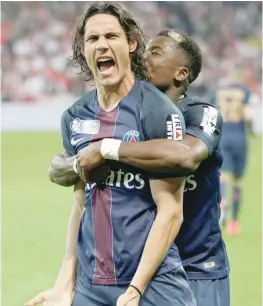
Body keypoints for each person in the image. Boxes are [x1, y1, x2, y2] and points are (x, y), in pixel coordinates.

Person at [25, 3, 196, 306]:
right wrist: (64, 283)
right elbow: (81, 205)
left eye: (111, 36)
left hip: (154, 283)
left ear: (131, 44)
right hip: (92, 285)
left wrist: (136, 289)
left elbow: (170, 211)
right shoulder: (75, 117)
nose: (102, 44)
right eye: (92, 39)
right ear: (83, 48)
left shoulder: (157, 111)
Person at [47, 29, 231, 306]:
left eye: (155, 53)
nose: (142, 57)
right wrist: (79, 160)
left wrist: (107, 149)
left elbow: (187, 156)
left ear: (181, 73)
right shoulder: (128, 116)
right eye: (143, 51)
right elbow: (64, 167)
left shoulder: (200, 113)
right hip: (139, 266)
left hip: (197, 265)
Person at [210, 81, 252, 235]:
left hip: (223, 136)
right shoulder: (244, 92)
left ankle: (222, 203)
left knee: (223, 177)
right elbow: (248, 115)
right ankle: (234, 222)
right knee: (238, 181)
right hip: (239, 138)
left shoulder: (217, 92)